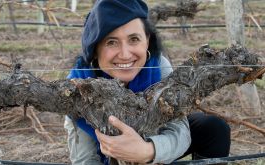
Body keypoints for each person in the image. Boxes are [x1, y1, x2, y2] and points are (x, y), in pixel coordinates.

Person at [64, 0, 231, 164]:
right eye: (111, 42)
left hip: (153, 137)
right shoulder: (77, 84)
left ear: (147, 40)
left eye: (134, 39)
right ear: (93, 49)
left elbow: (178, 131)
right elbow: (84, 158)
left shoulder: (158, 67)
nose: (125, 54)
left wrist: (148, 151)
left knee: (213, 128)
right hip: (109, 155)